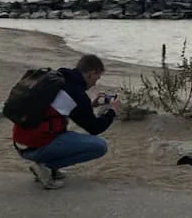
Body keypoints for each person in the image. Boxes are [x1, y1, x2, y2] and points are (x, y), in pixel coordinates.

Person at [12, 54, 121, 189]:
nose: (95, 83)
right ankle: (46, 167)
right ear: (91, 74)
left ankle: (47, 167)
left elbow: (61, 108)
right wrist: (112, 112)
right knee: (100, 146)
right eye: (97, 78)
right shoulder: (77, 94)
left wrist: (91, 105)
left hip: (21, 142)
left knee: (62, 132)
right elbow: (95, 128)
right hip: (35, 147)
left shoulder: (58, 78)